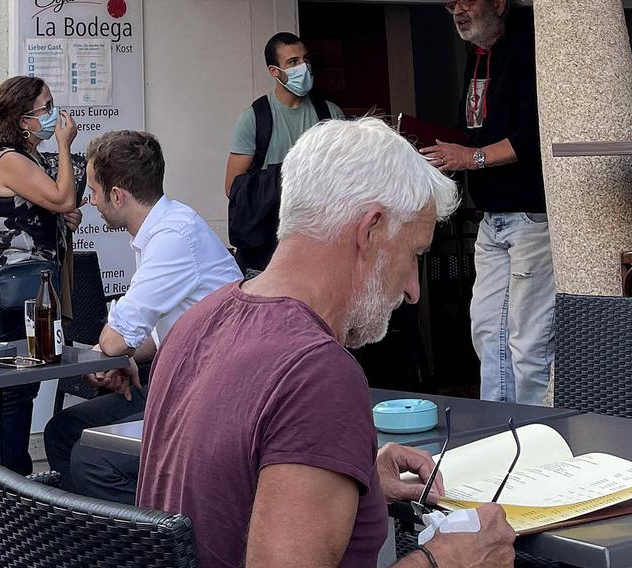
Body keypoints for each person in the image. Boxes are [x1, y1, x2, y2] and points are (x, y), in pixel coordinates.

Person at [137, 118, 515, 567]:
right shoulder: (316, 370)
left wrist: (350, 475)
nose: (414, 289)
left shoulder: (197, 321)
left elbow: (226, 485)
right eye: (414, 254)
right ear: (371, 229)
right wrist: (446, 561)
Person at [43, 130, 242, 503]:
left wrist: (119, 351)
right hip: (183, 384)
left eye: (96, 192)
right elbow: (153, 334)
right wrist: (128, 359)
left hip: (210, 400)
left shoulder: (173, 237)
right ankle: (86, 539)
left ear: (118, 195)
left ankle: (152, 538)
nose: (91, 201)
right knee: (64, 430)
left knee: (91, 460)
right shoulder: (160, 231)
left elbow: (116, 338)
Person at [420, 0, 553, 405]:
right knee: (487, 331)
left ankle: (534, 438)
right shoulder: (477, 55)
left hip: (531, 214)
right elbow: (475, 132)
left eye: (465, 1)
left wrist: (470, 157)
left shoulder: (529, 45)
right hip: (492, 216)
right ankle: (499, 427)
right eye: (449, 4)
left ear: (497, 2)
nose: (456, 10)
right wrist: (447, 150)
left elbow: (535, 135)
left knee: (527, 342)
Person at [0, 75, 84, 475]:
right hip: (16, 282)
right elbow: (60, 195)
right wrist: (63, 144)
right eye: (46, 108)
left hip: (33, 281)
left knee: (28, 379)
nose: (54, 114)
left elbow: (53, 205)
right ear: (24, 120)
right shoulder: (10, 160)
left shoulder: (27, 159)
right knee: (19, 386)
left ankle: (13, 472)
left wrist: (64, 215)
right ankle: (11, 474)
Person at [224, 31, 343, 273]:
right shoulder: (255, 118)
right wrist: (284, 181)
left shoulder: (330, 115)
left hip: (321, 242)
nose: (304, 67)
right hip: (268, 246)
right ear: (274, 71)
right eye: (293, 62)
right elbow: (232, 187)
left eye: (305, 59)